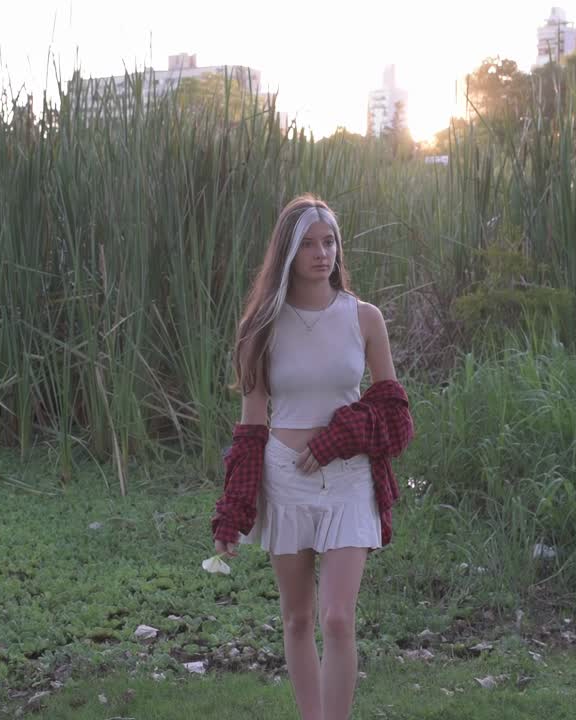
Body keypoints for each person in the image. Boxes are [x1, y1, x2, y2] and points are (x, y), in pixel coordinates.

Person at [210, 193, 414, 720]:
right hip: (284, 480)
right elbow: (252, 426)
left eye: (329, 242)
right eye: (308, 243)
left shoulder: (364, 319)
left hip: (348, 479)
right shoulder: (260, 327)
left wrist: (335, 441)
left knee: (337, 619)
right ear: (287, 252)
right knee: (298, 619)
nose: (322, 253)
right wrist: (234, 511)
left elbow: (395, 419)